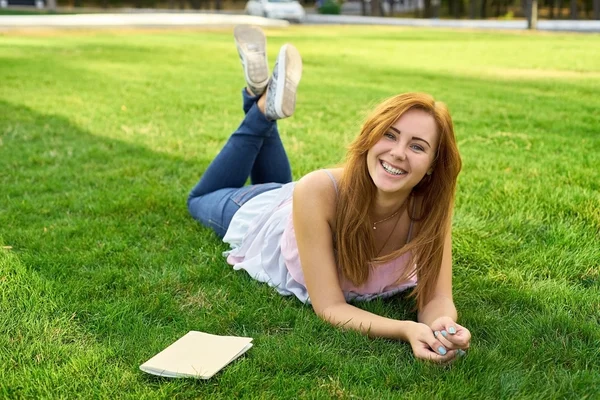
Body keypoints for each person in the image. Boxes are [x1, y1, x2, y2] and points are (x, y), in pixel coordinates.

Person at [188, 25, 471, 363]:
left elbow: (437, 296)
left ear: (432, 165)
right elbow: (331, 307)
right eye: (390, 135)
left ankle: (261, 96)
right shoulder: (318, 189)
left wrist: (442, 326)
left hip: (299, 207)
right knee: (199, 199)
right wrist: (405, 329)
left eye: (417, 146)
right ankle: (262, 107)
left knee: (283, 182)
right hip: (260, 211)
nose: (398, 153)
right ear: (370, 138)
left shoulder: (431, 206)